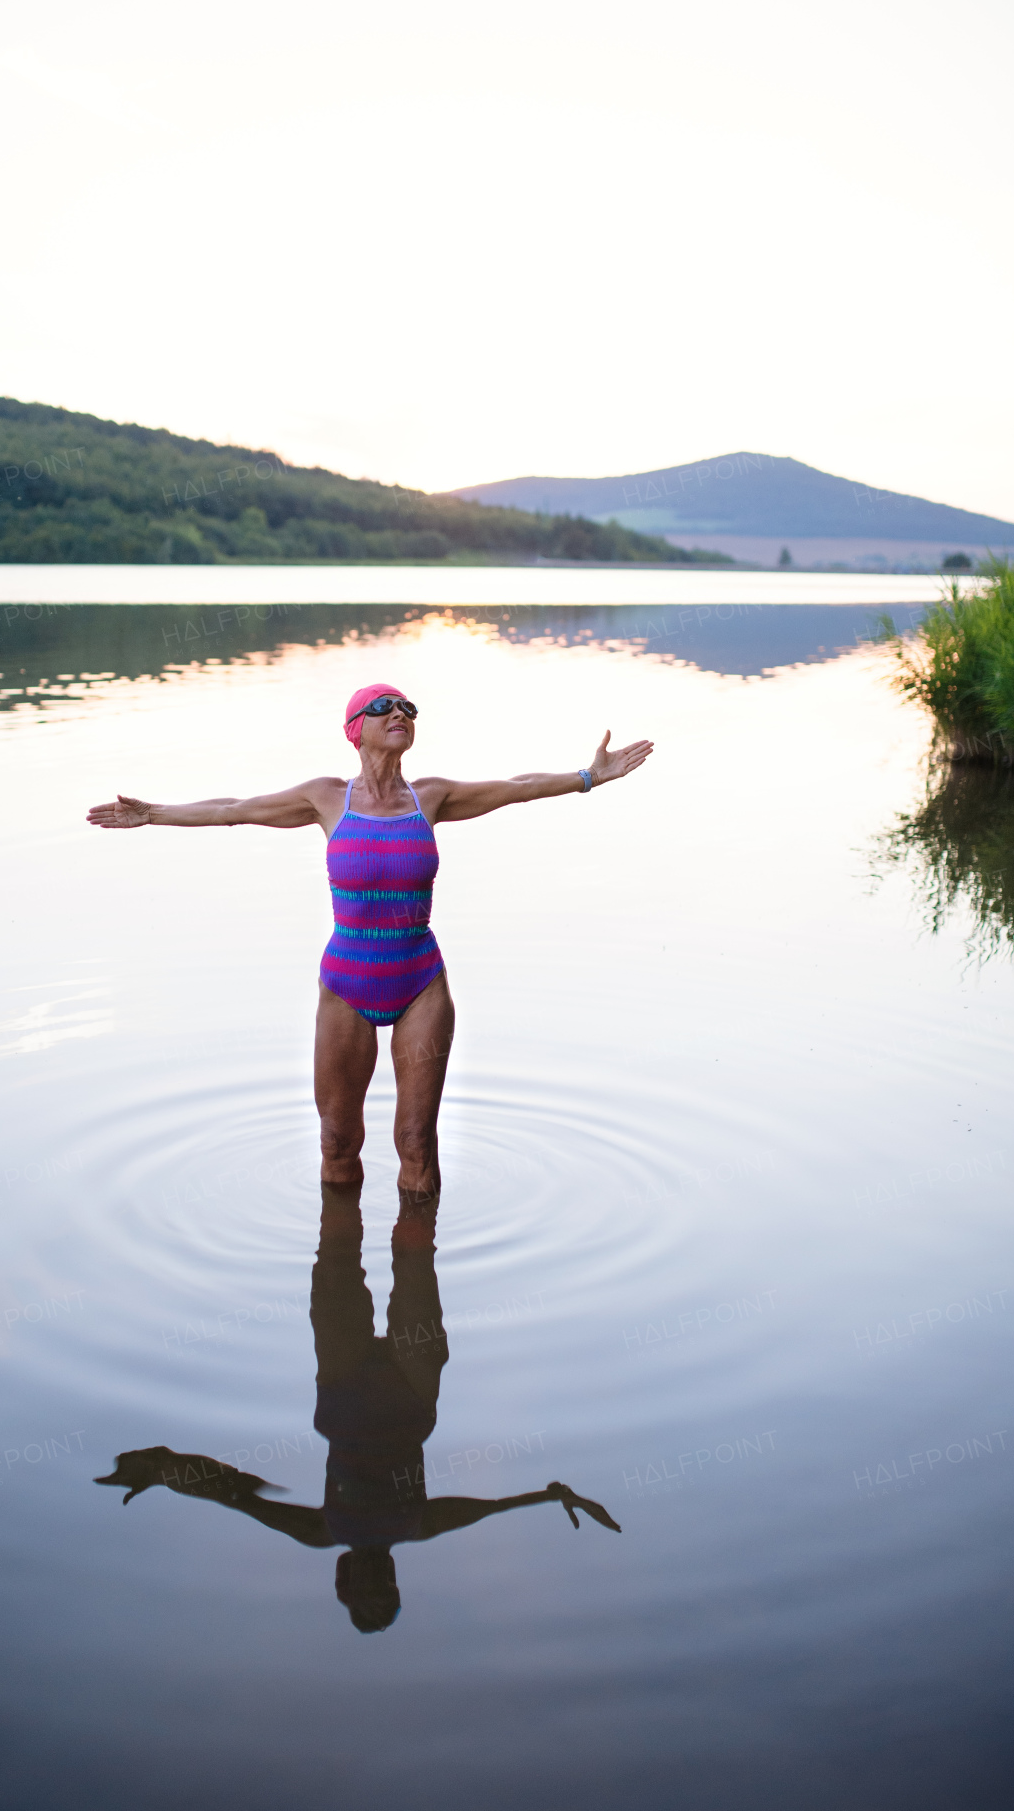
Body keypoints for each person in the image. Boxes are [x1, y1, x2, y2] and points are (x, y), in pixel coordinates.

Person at [88, 682, 653, 1194]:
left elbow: (515, 788)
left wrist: (588, 778)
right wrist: (155, 813)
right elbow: (234, 809)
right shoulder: (326, 798)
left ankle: (415, 1295)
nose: (400, 713)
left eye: (408, 707)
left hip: (419, 984)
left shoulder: (430, 798)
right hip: (346, 985)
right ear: (356, 729)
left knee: (416, 1141)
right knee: (337, 1141)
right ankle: (339, 1274)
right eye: (384, 707)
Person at [95, 1185, 620, 1633]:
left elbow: (238, 1494)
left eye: (360, 1594)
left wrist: (166, 1469)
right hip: (386, 1386)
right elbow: (238, 1494)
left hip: (372, 1384)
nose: (366, 1582)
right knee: (385, 1250)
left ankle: (371, 1179)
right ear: (368, 1579)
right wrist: (549, 1496)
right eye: (377, 1592)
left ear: (347, 1581)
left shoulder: (370, 1528)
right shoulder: (395, 1526)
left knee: (375, 1249)